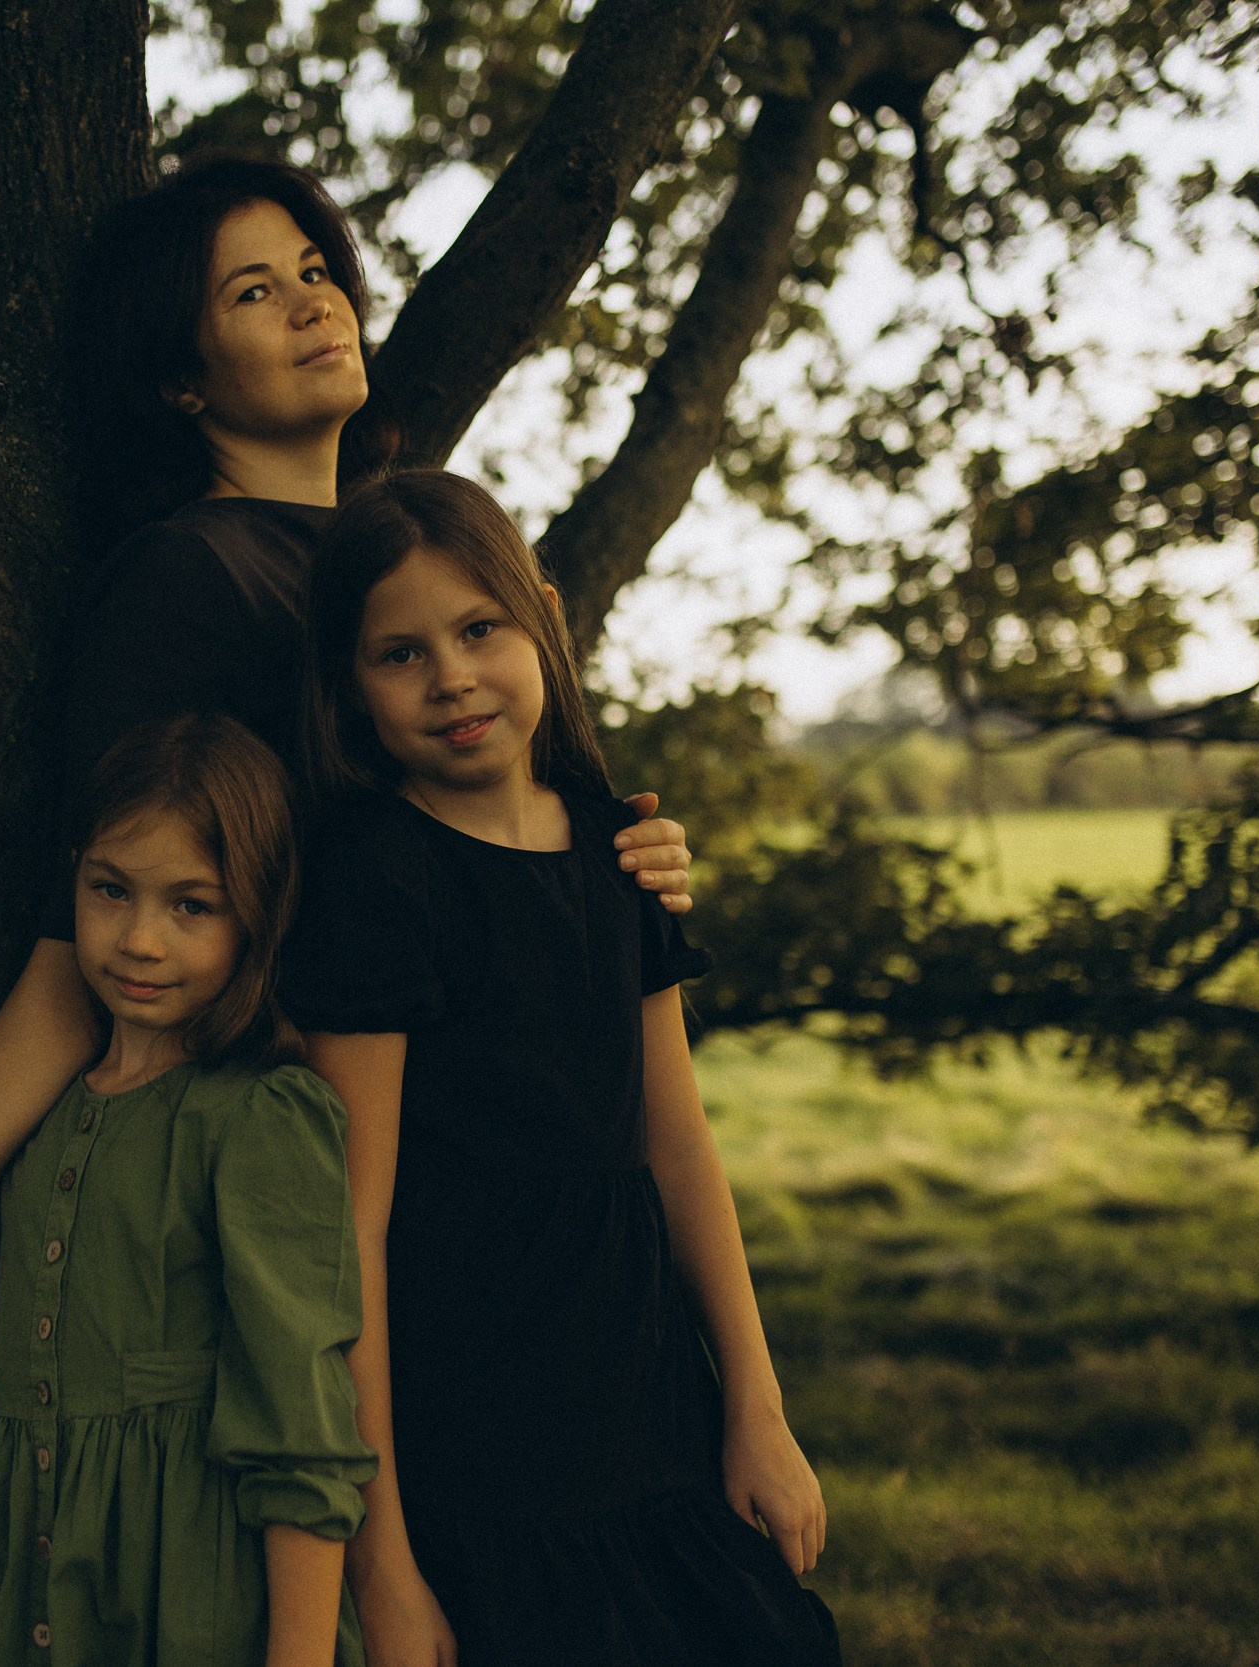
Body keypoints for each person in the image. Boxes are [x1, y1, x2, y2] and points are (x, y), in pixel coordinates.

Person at [0, 156, 699, 1392]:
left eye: (318, 270)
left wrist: (618, 856)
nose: (312, 301)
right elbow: (97, 914)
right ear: (180, 380)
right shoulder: (186, 577)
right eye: (252, 292)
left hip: (529, 1163)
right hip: (338, 1171)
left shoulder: (397, 561)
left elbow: (497, 825)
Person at [284, 471, 841, 1667]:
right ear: (349, 683)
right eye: (400, 653)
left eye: (479, 628)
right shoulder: (375, 878)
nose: (451, 677)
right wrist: (384, 1566)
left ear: (542, 619)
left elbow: (677, 1143)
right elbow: (349, 1234)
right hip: (478, 1435)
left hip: (649, 1396)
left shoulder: (617, 848)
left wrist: (756, 1406)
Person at [0, 712, 378, 1667]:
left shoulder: (260, 1114)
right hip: (34, 1596)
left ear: (257, 914)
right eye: (111, 890)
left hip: (193, 1604)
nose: (139, 939)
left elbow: (303, 1427)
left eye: (192, 906)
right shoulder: (45, 1110)